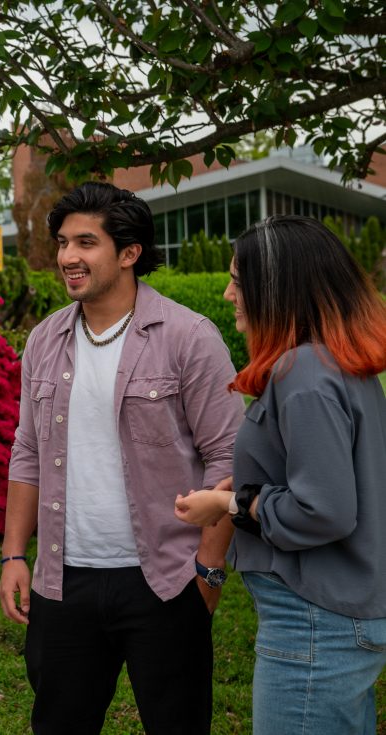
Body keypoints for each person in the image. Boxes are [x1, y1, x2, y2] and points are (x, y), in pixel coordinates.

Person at [0, 181, 245, 734]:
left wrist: (207, 571)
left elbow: (228, 452)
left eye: (86, 243)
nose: (67, 257)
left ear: (129, 253)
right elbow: (29, 450)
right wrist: (15, 555)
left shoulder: (188, 337)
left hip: (166, 579)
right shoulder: (43, 340)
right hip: (64, 582)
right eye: (63, 243)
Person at [174, 215, 386, 734]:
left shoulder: (304, 374)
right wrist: (250, 490)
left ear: (278, 290)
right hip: (340, 615)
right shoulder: (339, 365)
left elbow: (325, 510)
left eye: (239, 283)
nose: (228, 295)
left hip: (315, 622)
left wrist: (228, 506)